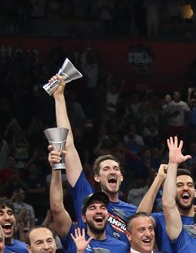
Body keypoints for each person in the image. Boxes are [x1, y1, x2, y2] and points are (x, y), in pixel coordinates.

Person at [50, 75, 136, 243]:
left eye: (116, 169)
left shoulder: (133, 211)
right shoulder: (86, 195)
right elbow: (68, 145)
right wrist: (59, 97)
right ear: (96, 177)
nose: (112, 171)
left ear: (122, 176)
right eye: (106, 169)